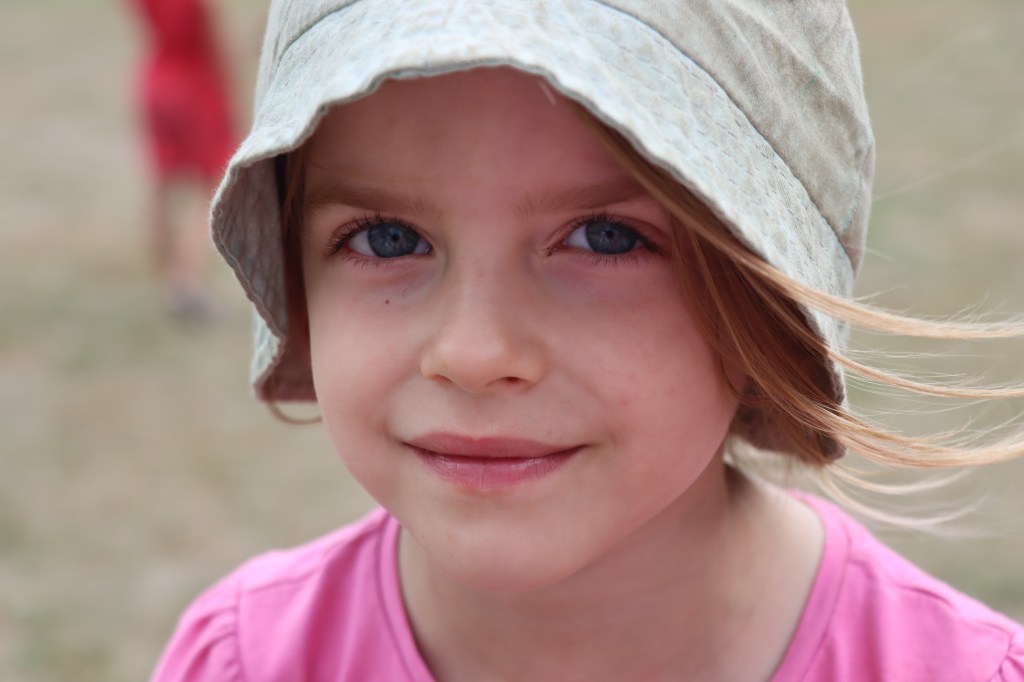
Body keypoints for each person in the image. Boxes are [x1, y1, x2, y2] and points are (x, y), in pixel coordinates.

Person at [152, 1, 1024, 680]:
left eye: (605, 237)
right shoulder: (244, 663)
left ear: (767, 291)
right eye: (387, 239)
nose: (474, 353)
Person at [130, 0, 237, 320]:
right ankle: (186, 282)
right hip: (195, 84)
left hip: (156, 79)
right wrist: (233, 95)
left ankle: (167, 276)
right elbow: (217, 41)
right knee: (215, 185)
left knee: (161, 186)